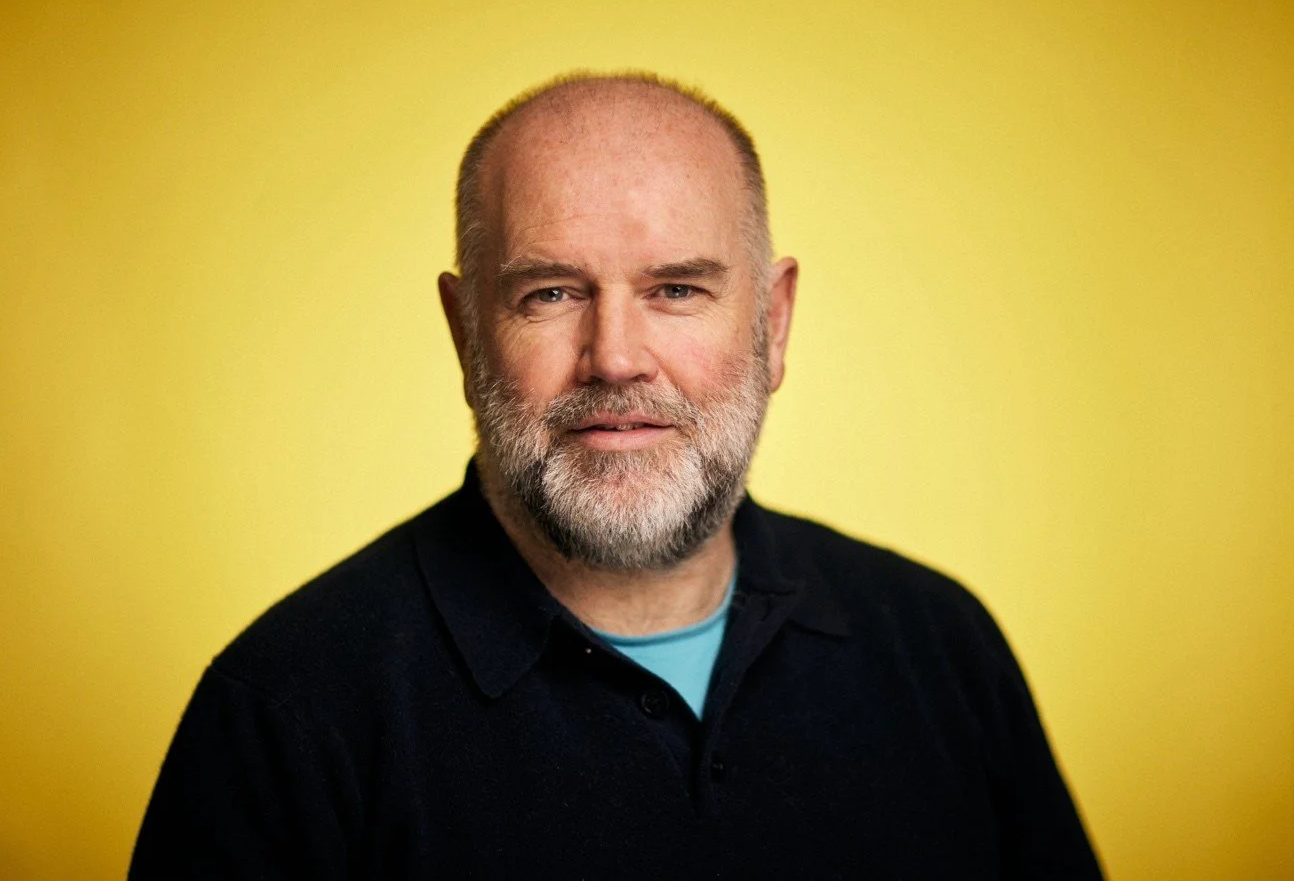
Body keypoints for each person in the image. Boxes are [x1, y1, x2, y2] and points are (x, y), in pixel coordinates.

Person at [131, 71, 1103, 879]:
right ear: (465, 332)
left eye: (676, 289)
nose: (614, 357)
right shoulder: (285, 711)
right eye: (549, 293)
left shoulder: (939, 646)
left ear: (772, 324)